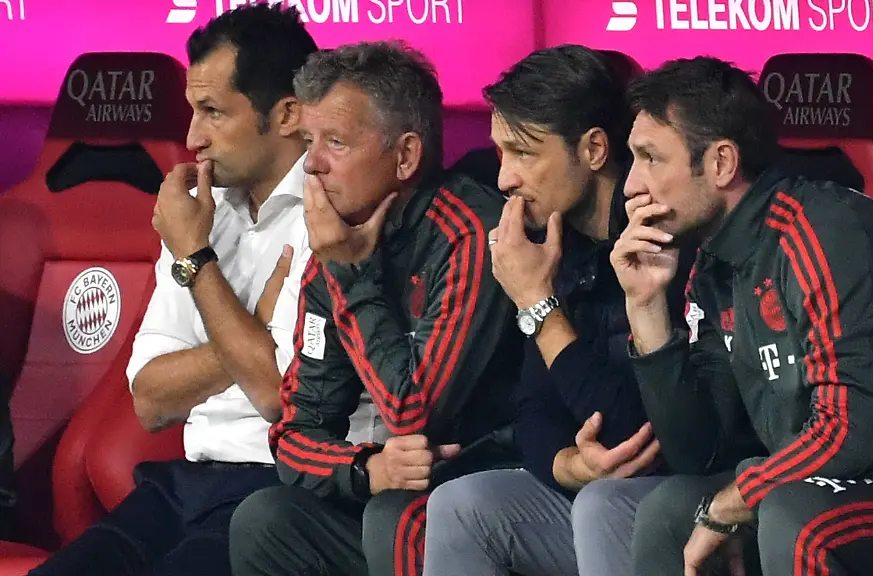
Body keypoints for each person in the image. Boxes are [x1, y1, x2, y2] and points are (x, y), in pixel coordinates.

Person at [615, 56, 873, 576]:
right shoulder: (716, 263)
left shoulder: (823, 232)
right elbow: (699, 453)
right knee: (669, 514)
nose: (631, 185)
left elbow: (844, 436)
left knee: (798, 517)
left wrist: (736, 499)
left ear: (720, 163)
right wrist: (646, 306)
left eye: (650, 158)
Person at [26, 5, 317, 576]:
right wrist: (247, 335)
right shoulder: (198, 212)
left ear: (286, 114)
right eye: (192, 111)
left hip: (282, 493)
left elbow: (273, 393)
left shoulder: (329, 213)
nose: (192, 138)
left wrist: (196, 261)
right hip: (184, 484)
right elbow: (151, 401)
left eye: (214, 112)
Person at [229, 41, 523, 576]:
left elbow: (415, 415)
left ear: (405, 156)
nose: (311, 165)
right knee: (265, 520)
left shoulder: (471, 233)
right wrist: (366, 468)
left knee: (397, 517)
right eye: (309, 142)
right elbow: (295, 435)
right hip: (406, 487)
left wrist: (351, 274)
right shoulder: (338, 250)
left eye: (336, 142)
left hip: (495, 486)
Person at [422, 45, 690, 576]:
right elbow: (531, 411)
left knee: (600, 504)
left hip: (683, 493)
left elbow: (637, 434)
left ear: (593, 149)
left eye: (523, 153)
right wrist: (567, 465)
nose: (504, 179)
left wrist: (537, 306)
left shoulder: (660, 243)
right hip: (600, 491)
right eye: (501, 154)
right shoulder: (555, 244)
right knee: (460, 504)